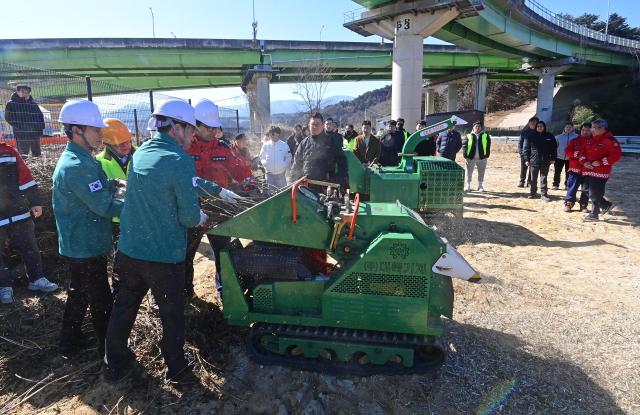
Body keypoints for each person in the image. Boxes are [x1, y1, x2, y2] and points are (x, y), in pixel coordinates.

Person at [105, 99, 240, 384]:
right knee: (172, 315)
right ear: (176, 127)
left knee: (124, 308)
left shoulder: (141, 154)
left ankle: (115, 364)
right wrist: (201, 214)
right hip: (162, 256)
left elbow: (177, 181)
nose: (192, 135)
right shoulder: (179, 159)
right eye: (190, 129)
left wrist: (218, 190)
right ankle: (177, 370)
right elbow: (190, 217)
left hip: (129, 251)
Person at [52, 99, 123, 358]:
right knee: (100, 298)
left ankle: (68, 343)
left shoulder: (84, 160)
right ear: (76, 129)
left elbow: (100, 190)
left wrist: (114, 184)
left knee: (80, 294)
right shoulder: (76, 166)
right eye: (95, 129)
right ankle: (109, 349)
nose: (100, 134)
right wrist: (141, 210)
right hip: (83, 244)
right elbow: (103, 206)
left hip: (84, 240)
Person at [186, 98, 252, 299]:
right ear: (196, 126)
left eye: (215, 128)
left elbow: (240, 170)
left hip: (219, 210)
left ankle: (226, 293)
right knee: (187, 255)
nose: (213, 132)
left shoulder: (223, 148)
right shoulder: (185, 148)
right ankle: (187, 293)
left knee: (223, 254)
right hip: (192, 210)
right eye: (208, 128)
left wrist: (250, 182)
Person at [0, 134, 58, 304]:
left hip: (18, 211)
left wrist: (35, 202)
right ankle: (4, 287)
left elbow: (25, 176)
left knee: (30, 247)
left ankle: (36, 279)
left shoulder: (9, 152)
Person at [289, 112, 348, 191]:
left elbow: (342, 161)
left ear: (323, 125)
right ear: (309, 126)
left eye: (317, 124)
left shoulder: (331, 141)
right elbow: (296, 164)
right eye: (312, 124)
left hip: (326, 187)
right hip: (306, 186)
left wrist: (340, 178)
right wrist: (292, 182)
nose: (315, 126)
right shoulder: (304, 143)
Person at [580, 119, 621, 221]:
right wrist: (584, 162)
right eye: (592, 127)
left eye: (593, 127)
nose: (591, 129)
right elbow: (582, 153)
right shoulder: (590, 140)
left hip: (600, 172)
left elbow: (616, 156)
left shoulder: (611, 141)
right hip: (587, 170)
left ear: (602, 128)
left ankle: (594, 214)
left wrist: (601, 162)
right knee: (586, 190)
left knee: (595, 193)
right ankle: (605, 205)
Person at [4, 84, 45, 158]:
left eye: (26, 92)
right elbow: (8, 118)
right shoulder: (11, 104)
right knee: (23, 154)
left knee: (37, 153)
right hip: (21, 133)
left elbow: (40, 116)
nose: (24, 94)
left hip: (34, 132)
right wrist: (20, 126)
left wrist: (40, 128)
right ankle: (23, 168)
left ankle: (36, 168)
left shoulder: (33, 103)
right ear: (17, 92)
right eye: (22, 92)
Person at [524, 121, 557, 201]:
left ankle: (544, 194)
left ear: (544, 127)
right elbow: (526, 149)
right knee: (533, 178)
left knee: (543, 178)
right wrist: (526, 159)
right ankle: (533, 193)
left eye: (541, 126)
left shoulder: (550, 136)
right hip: (534, 160)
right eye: (538, 126)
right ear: (536, 127)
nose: (540, 127)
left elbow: (554, 148)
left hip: (546, 160)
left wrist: (553, 158)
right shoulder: (531, 136)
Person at [563, 123, 591, 212]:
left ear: (591, 131)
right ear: (580, 130)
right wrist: (577, 154)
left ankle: (583, 205)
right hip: (575, 168)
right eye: (583, 130)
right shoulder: (574, 141)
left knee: (585, 189)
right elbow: (567, 151)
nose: (585, 132)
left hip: (588, 169)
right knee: (572, 187)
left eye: (587, 130)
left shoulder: (593, 142)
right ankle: (569, 204)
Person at [259, 126, 291, 190]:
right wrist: (265, 164)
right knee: (270, 193)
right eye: (270, 133)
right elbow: (261, 156)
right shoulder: (266, 145)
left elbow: (289, 157)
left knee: (282, 192)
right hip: (269, 175)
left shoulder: (284, 145)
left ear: (278, 134)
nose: (271, 135)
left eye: (273, 133)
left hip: (280, 174)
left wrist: (283, 165)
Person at [462, 121, 491, 192]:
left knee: (481, 173)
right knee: (468, 172)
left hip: (482, 158)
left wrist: (486, 155)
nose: (477, 128)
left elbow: (488, 146)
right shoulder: (468, 135)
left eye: (479, 126)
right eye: (476, 126)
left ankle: (480, 186)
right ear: (473, 127)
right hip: (470, 158)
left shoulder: (485, 136)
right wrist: (466, 156)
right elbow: (464, 146)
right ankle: (468, 186)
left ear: (481, 128)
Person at [553, 122, 578, 190]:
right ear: (564, 128)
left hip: (570, 158)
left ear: (572, 128)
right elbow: (555, 147)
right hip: (559, 157)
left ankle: (567, 185)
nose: (568, 128)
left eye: (570, 127)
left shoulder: (577, 137)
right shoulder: (558, 137)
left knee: (568, 172)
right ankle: (555, 184)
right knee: (557, 171)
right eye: (567, 127)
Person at [517, 117, 538, 188]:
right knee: (523, 168)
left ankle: (529, 182)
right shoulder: (524, 132)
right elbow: (520, 143)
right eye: (531, 123)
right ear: (529, 124)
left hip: (534, 154)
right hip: (524, 153)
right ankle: (522, 181)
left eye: (534, 123)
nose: (533, 124)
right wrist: (520, 152)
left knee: (532, 168)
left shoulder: (538, 132)